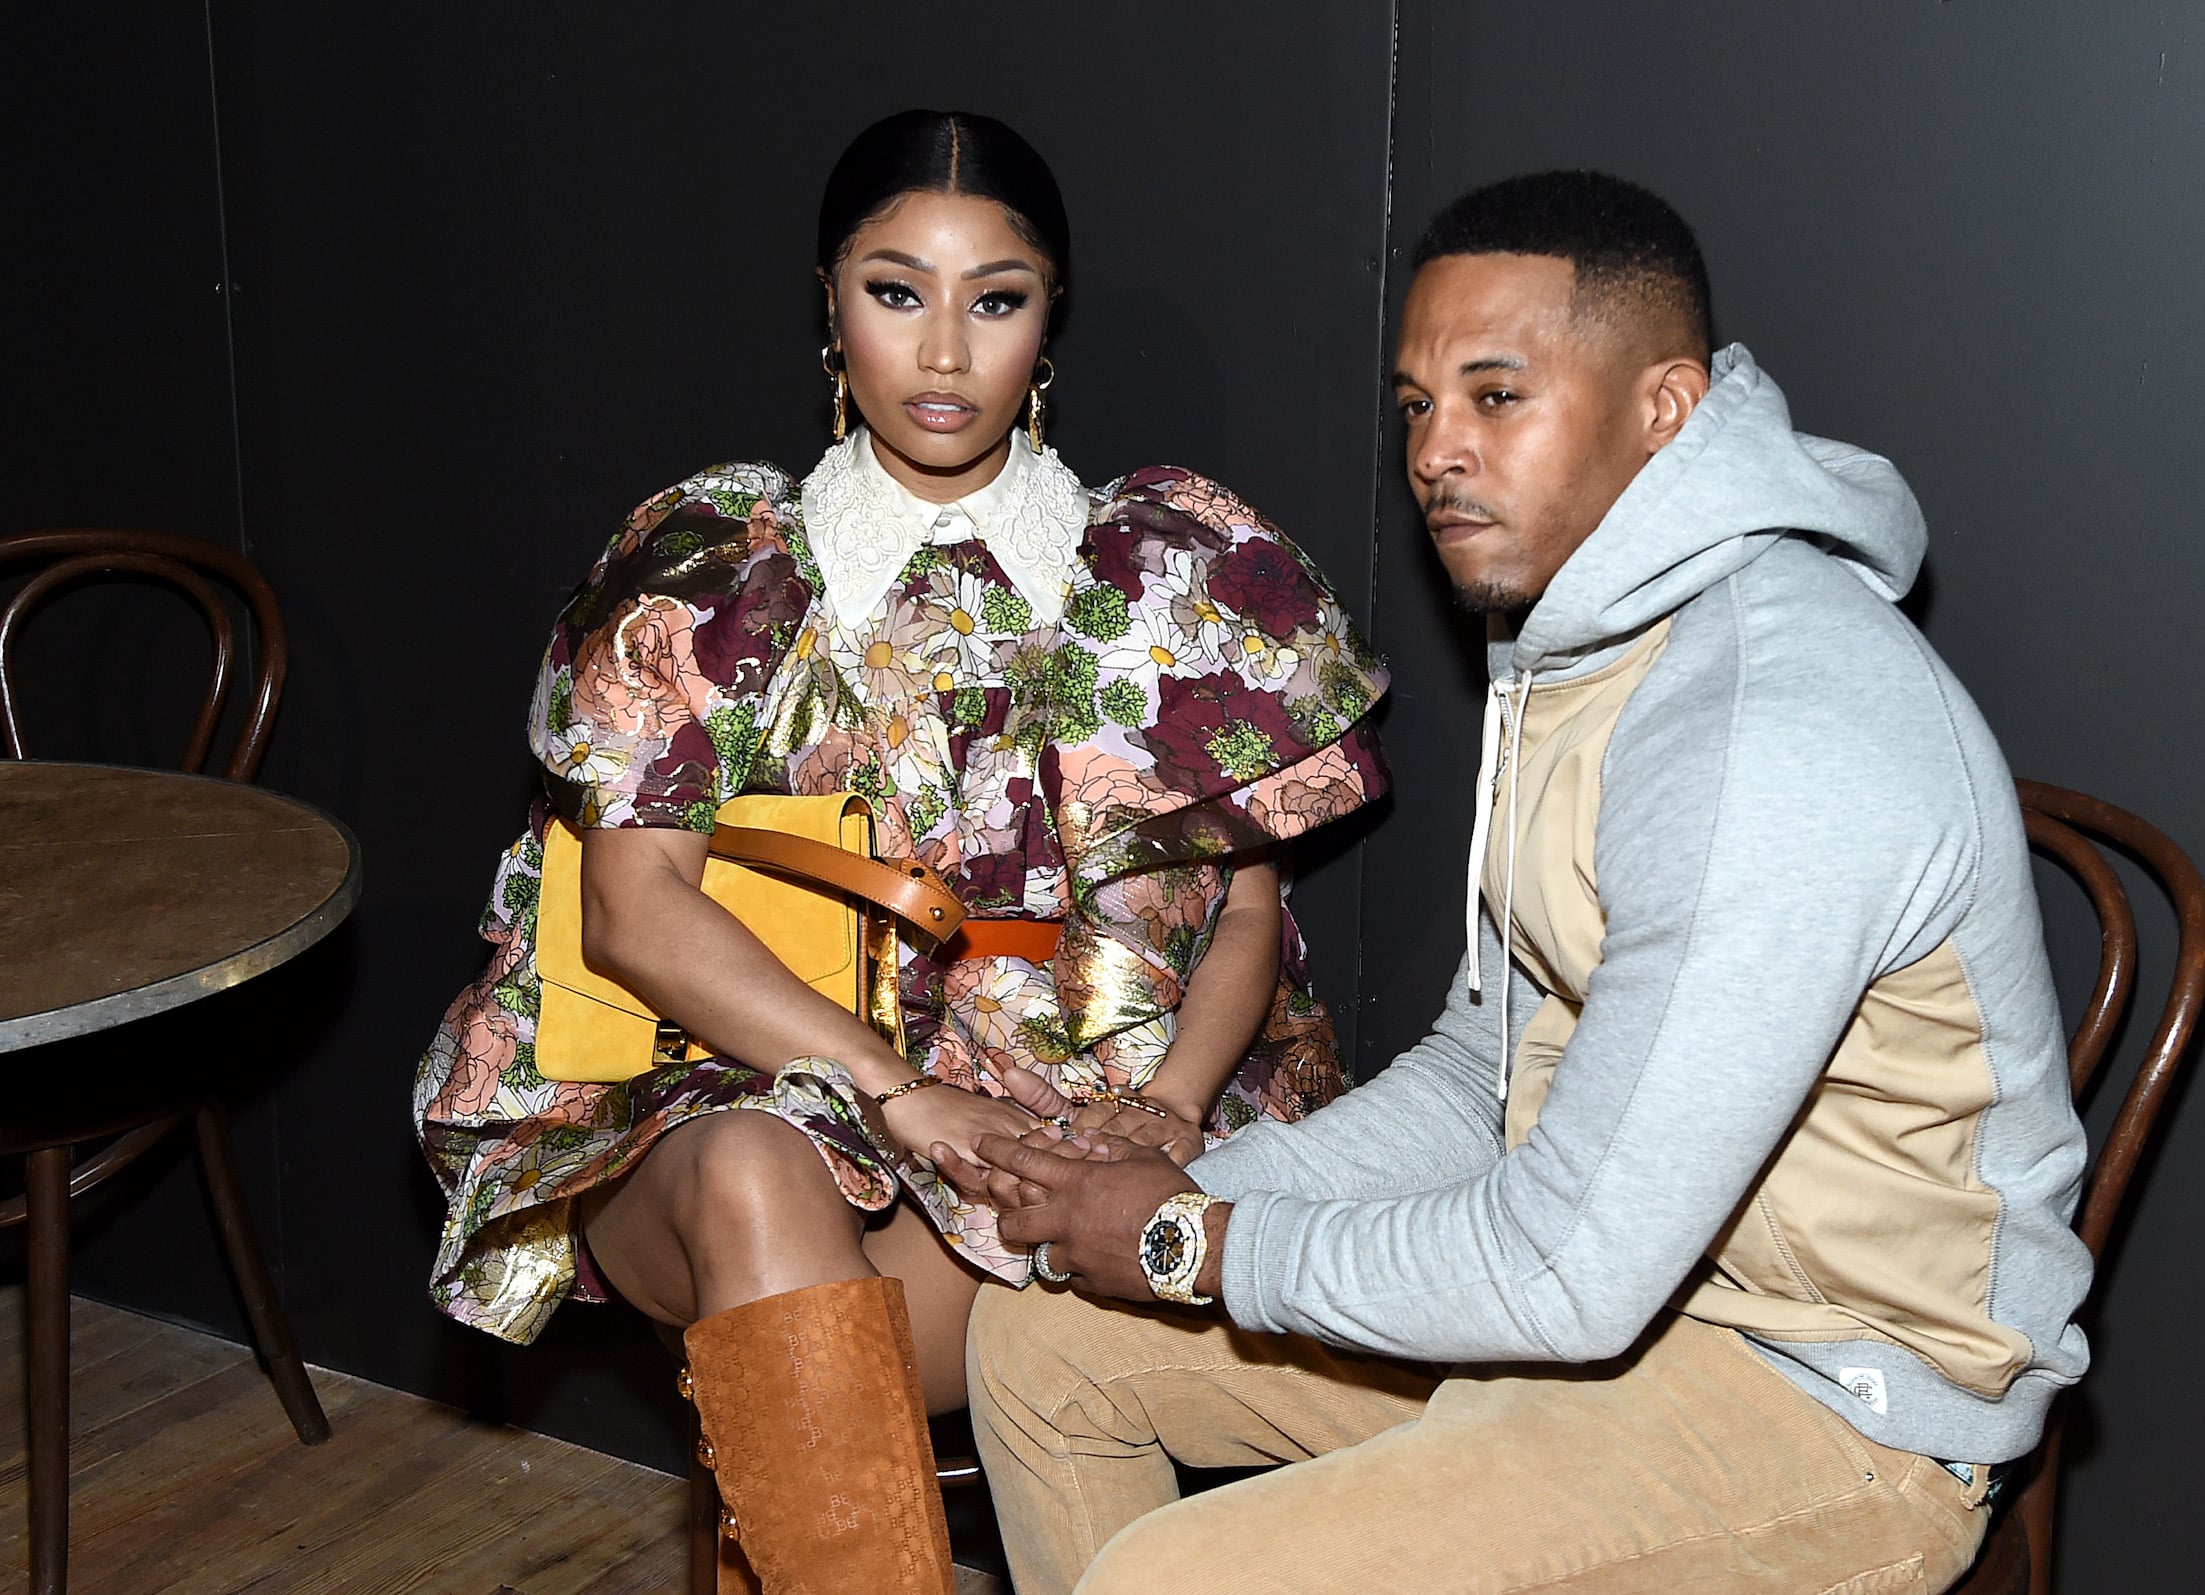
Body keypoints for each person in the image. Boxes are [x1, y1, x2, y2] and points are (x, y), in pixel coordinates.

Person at [949, 170, 2092, 1594]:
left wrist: (1194, 1243)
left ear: (1664, 410)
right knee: (1046, 1342)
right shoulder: (1578, 644)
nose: (1437, 451)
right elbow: (1485, 1072)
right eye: (1417, 404)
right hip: (1620, 1312)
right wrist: (1168, 1189)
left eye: (1497, 396)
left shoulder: (1766, 726)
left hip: (1833, 1403)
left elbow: (1568, 1270)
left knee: (1169, 1582)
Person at [410, 109, 1388, 1593]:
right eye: (895, 291)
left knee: (812, 1364)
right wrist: (899, 1094)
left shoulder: (1174, 574)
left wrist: (1170, 1112)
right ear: (830, 304)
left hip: (1073, 1110)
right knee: (754, 1176)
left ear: (1048, 323)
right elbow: (633, 912)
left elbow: (1249, 915)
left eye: (995, 300)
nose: (942, 352)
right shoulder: (716, 568)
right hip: (730, 1083)